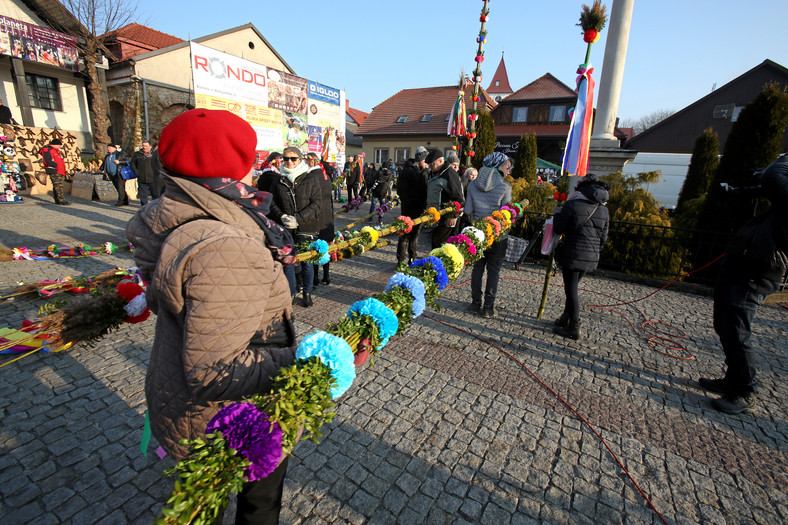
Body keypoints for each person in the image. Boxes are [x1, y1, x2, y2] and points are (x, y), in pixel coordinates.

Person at [125, 108, 297, 523]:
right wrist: (304, 360)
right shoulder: (226, 244)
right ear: (232, 165)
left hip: (184, 405)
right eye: (251, 160)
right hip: (231, 418)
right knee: (257, 507)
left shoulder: (178, 213)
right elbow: (214, 371)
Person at [698, 154, 788, 414]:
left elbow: (773, 177)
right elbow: (765, 186)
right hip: (742, 264)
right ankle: (733, 378)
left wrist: (782, 161)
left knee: (737, 330)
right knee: (723, 324)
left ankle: (746, 390)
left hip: (758, 271)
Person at [552, 174, 610, 340]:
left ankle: (574, 326)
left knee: (571, 291)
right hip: (591, 254)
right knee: (573, 289)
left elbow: (559, 228)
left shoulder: (573, 204)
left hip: (573, 252)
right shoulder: (603, 209)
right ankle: (565, 318)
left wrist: (557, 214)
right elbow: (604, 237)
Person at [269, 147, 322, 307]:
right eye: (286, 159)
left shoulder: (310, 179)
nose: (289, 162)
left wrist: (298, 219)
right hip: (285, 228)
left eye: (293, 159)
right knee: (289, 262)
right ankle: (291, 293)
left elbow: (317, 203)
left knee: (307, 262)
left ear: (300, 159)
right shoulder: (278, 180)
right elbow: (271, 203)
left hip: (306, 227)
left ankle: (307, 292)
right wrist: (282, 217)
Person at [466, 153, 513, 318]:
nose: (508, 172)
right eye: (507, 168)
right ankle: (488, 307)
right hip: (499, 236)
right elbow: (507, 216)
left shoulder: (472, 185)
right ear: (498, 166)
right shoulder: (505, 187)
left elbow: (468, 211)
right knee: (494, 270)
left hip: (479, 234)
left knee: (477, 268)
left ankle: (475, 303)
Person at [425, 149, 464, 249]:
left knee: (439, 243)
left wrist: (454, 216)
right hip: (436, 216)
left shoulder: (449, 175)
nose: (430, 166)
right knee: (436, 242)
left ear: (440, 161)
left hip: (446, 217)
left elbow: (458, 198)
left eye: (432, 164)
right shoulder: (436, 172)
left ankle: (438, 263)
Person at [396, 147, 429, 265]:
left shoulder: (424, 172)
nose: (427, 163)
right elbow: (401, 190)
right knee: (405, 234)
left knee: (415, 235)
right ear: (420, 159)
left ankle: (412, 258)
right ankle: (400, 260)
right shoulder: (407, 171)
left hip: (420, 209)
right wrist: (408, 204)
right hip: (408, 209)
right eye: (425, 160)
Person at [307, 153, 334, 287]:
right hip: (327, 214)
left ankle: (315, 277)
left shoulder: (310, 177)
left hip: (316, 215)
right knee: (325, 246)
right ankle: (327, 276)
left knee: (316, 247)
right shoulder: (326, 177)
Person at [39, 138, 70, 205]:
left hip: (59, 170)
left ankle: (58, 200)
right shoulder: (47, 150)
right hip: (54, 170)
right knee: (59, 186)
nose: (60, 147)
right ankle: (62, 200)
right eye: (59, 145)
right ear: (55, 144)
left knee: (57, 186)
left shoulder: (55, 151)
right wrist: (56, 165)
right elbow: (47, 160)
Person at [131, 140, 158, 205]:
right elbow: (132, 164)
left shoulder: (155, 154)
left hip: (153, 178)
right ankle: (144, 209)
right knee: (143, 196)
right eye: (143, 145)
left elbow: (159, 165)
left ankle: (155, 209)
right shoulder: (137, 154)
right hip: (142, 178)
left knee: (155, 196)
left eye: (146, 146)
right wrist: (137, 173)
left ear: (150, 146)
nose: (144, 147)